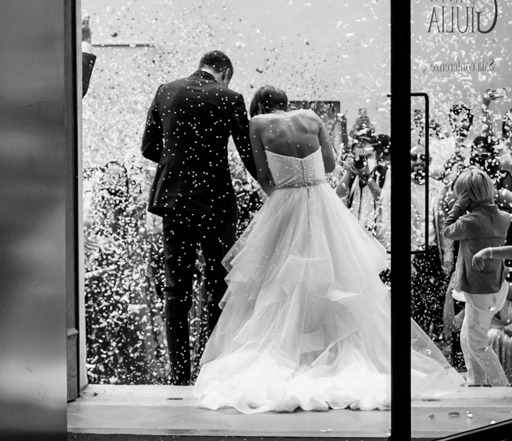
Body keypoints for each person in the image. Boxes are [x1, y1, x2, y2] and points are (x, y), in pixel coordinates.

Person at [194, 85, 468, 412]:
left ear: (260, 107)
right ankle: (335, 347)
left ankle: (295, 348)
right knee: (338, 278)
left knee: (281, 283)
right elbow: (327, 164)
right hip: (322, 201)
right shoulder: (311, 117)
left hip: (286, 200)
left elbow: (264, 176)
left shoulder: (258, 124)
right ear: (285, 103)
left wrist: (280, 207)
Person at [141, 49, 259, 385]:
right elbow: (247, 153)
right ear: (226, 74)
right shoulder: (229, 97)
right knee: (217, 284)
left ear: (201, 67)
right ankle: (211, 370)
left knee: (176, 288)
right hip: (215, 204)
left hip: (174, 202)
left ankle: (179, 375)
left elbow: (148, 147)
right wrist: (275, 186)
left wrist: (178, 164)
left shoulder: (166, 90)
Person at [441, 166, 512, 387]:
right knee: (467, 335)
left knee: (478, 343)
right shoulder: (503, 217)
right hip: (496, 287)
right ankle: (476, 381)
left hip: (480, 292)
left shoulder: (469, 222)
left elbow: (446, 230)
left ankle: (501, 385)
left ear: (466, 196)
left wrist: (458, 206)